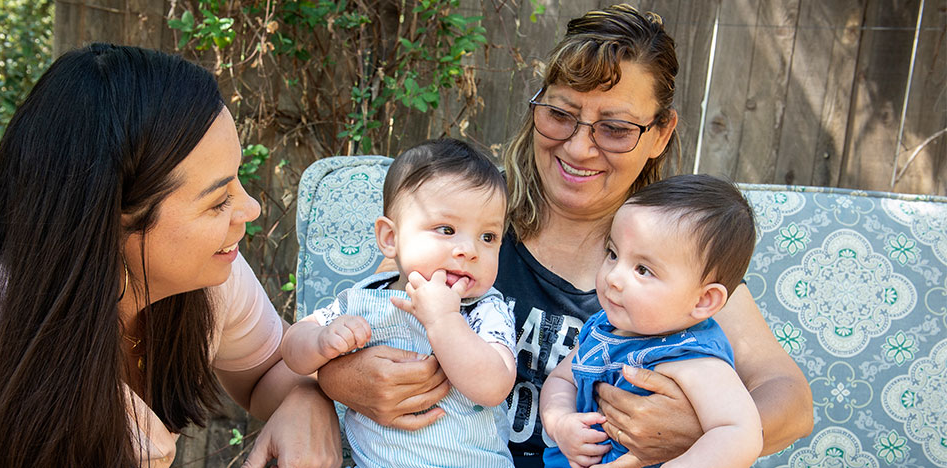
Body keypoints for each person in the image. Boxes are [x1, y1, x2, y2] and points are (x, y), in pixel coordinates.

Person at [0, 43, 340, 468]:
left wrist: (309, 399)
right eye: (218, 198)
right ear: (111, 218)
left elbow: (267, 366)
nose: (251, 209)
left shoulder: (208, 269)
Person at [314, 5, 813, 468]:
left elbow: (790, 400)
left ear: (660, 134)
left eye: (614, 128)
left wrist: (699, 431)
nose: (579, 147)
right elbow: (359, 320)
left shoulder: (674, 265)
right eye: (560, 115)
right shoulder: (474, 226)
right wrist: (326, 386)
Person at [283, 138, 517, 467]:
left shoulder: (483, 309)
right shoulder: (364, 297)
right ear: (390, 238)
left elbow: (494, 386)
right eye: (447, 229)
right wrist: (321, 340)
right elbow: (292, 346)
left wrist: (444, 320)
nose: (470, 250)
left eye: (488, 237)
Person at [541, 175, 761, 468]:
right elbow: (561, 379)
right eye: (612, 254)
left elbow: (739, 432)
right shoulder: (603, 328)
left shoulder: (693, 358)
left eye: (643, 269)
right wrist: (560, 423)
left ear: (703, 301)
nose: (614, 277)